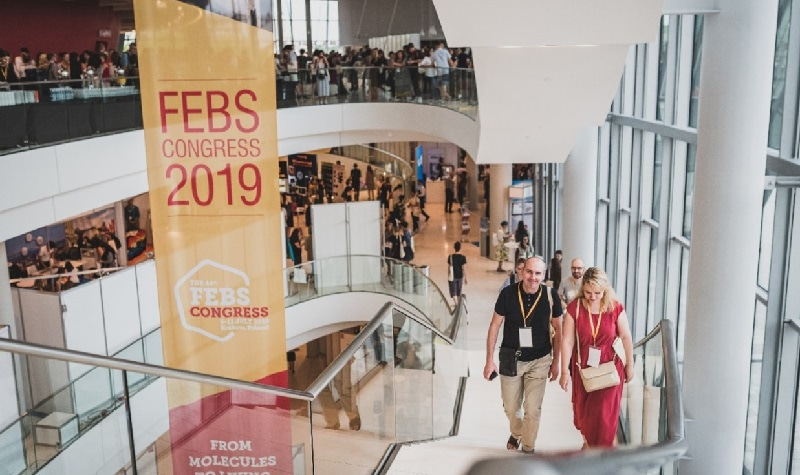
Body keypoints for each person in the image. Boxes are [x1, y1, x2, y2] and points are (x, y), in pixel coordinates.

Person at [483, 257, 562, 453]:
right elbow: (494, 326)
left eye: (538, 273)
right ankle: (517, 432)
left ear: (544, 275)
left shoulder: (551, 296)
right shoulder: (508, 293)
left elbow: (559, 331)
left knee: (533, 409)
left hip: (540, 359)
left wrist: (556, 362)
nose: (533, 277)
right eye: (529, 272)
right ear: (521, 271)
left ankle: (528, 447)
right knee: (510, 407)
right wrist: (489, 360)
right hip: (511, 357)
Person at [559, 267, 634, 448]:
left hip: (610, 370)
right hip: (584, 370)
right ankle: (591, 448)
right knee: (587, 418)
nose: (592, 297)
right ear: (582, 289)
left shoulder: (615, 307)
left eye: (597, 293)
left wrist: (630, 365)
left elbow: (626, 336)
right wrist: (564, 372)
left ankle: (601, 456)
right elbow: (567, 341)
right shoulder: (575, 308)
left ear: (605, 290)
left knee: (605, 419)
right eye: (588, 292)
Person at [447, 241, 467, 306]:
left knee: (453, 291)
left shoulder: (450, 257)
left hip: (453, 276)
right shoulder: (463, 257)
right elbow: (464, 268)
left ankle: (456, 303)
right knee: (458, 291)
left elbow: (449, 267)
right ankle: (457, 304)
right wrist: (465, 278)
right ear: (460, 248)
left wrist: (448, 275)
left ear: (454, 247)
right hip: (460, 276)